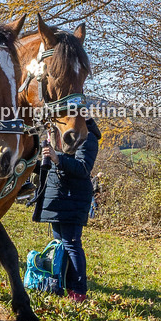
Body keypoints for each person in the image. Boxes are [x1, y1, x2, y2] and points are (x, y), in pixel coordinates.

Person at [34, 116, 101, 301]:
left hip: (74, 197)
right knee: (60, 245)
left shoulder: (87, 137)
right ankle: (60, 284)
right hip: (58, 196)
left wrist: (57, 157)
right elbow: (51, 166)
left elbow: (83, 168)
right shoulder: (58, 133)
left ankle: (78, 291)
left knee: (71, 244)